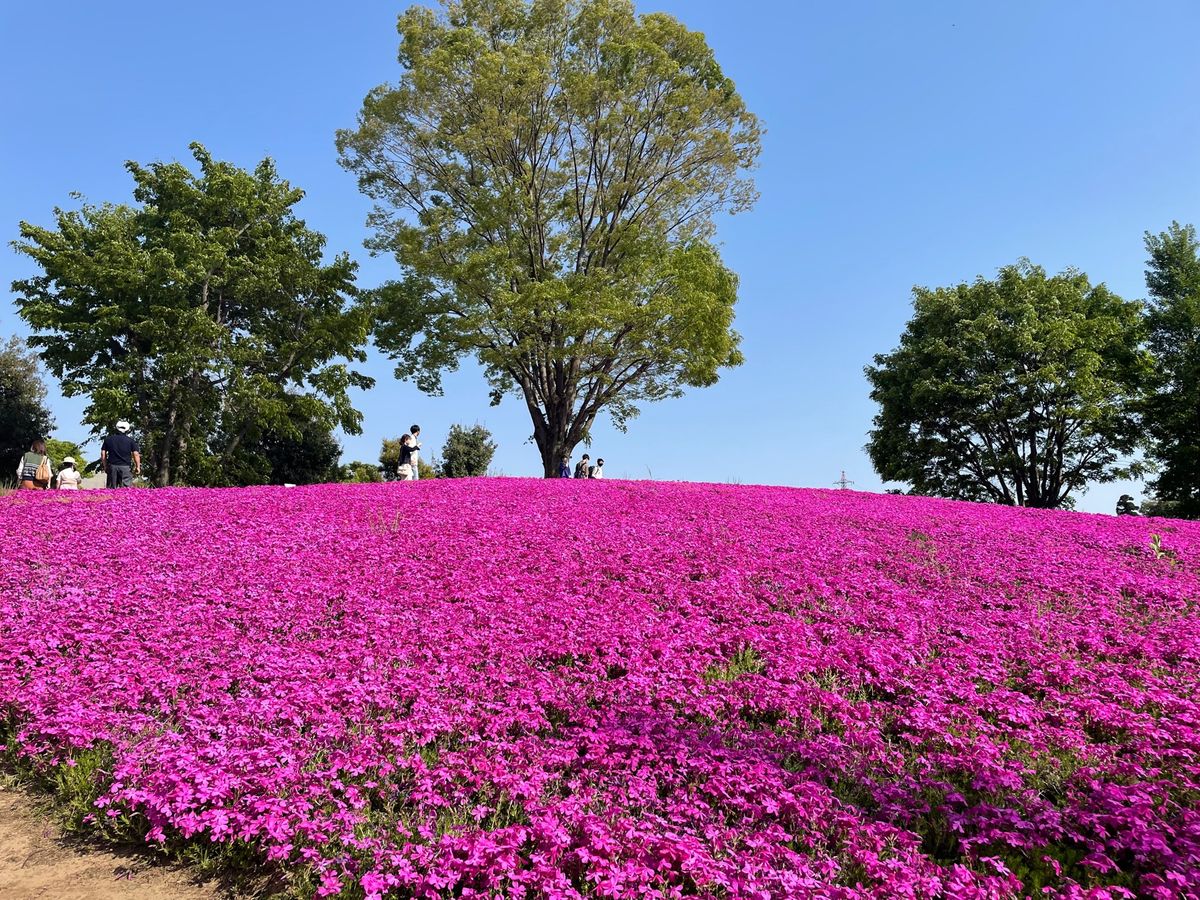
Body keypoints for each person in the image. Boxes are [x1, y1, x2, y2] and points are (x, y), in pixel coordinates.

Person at [101, 420, 141, 488]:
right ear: (127, 429)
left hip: (112, 466)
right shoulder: (130, 441)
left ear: (116, 428)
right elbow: (136, 454)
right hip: (125, 467)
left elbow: (103, 453)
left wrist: (105, 465)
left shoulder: (108, 439)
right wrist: (138, 466)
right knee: (125, 489)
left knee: (111, 488)